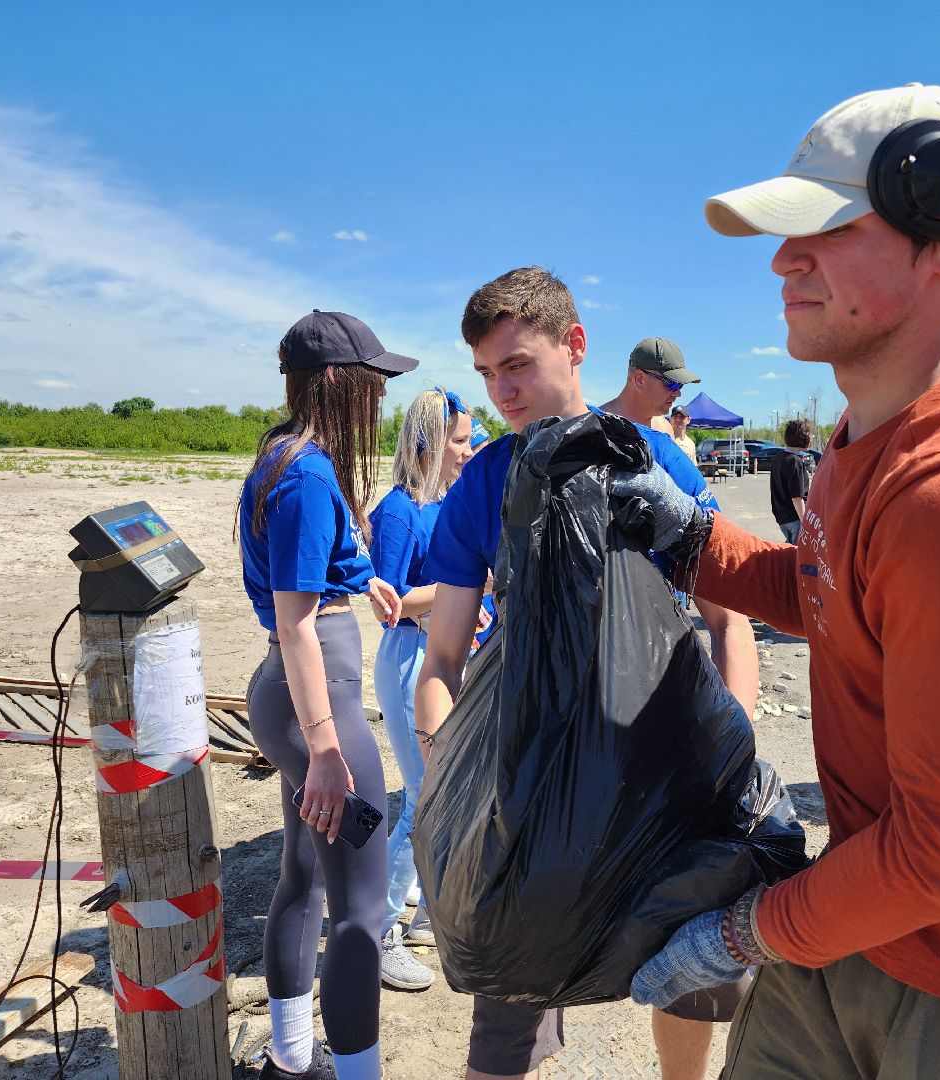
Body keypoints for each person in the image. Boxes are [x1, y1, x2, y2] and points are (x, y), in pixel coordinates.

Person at [615, 84, 940, 1077]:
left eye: (826, 229)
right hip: (868, 918)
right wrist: (689, 537)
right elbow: (833, 596)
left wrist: (746, 935)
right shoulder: (869, 440)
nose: (783, 260)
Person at [414, 267, 751, 1080]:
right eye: (488, 374)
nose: (502, 390)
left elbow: (727, 618)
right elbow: (443, 661)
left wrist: (734, 753)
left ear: (575, 345)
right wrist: (447, 768)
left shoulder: (656, 459)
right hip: (534, 783)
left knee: (690, 976)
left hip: (665, 772)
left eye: (517, 365)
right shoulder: (487, 482)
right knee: (506, 1003)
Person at [239, 309, 411, 1080]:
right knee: (362, 911)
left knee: (304, 876)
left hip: (287, 688)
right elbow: (299, 622)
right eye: (374, 381)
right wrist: (327, 749)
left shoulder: (283, 455)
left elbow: (300, 584)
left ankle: (291, 1055)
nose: (381, 397)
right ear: (339, 382)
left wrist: (354, 576)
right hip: (319, 699)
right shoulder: (309, 474)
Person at [368, 387, 474, 992]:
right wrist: (466, 588)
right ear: (430, 442)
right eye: (458, 441)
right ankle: (383, 929)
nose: (466, 452)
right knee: (422, 796)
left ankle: (427, 912)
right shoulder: (399, 512)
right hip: (410, 657)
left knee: (441, 788)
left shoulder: (440, 505)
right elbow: (389, 604)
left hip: (440, 655)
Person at [601, 338, 759, 726]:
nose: (678, 395)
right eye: (671, 384)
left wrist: (736, 738)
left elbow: (728, 611)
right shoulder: (584, 435)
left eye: (682, 386)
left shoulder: (668, 453)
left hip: (659, 647)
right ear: (639, 379)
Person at [600, 336, 699, 432]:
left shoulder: (665, 430)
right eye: (671, 383)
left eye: (680, 385)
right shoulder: (597, 427)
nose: (678, 393)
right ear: (640, 379)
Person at [769, 418, 812, 543]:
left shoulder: (778, 458)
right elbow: (797, 498)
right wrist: (805, 523)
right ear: (802, 437)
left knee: (789, 552)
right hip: (795, 519)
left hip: (782, 518)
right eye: (809, 434)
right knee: (796, 558)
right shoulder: (795, 461)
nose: (811, 438)